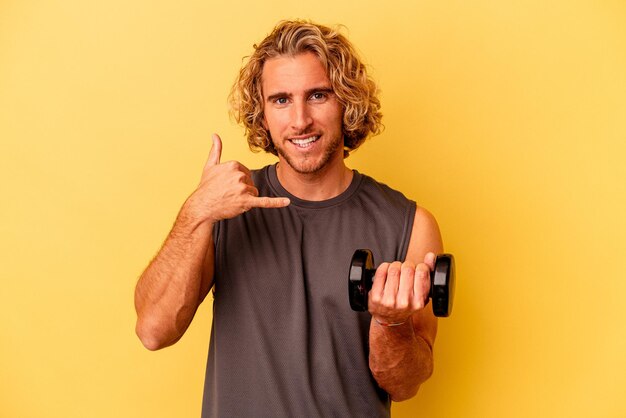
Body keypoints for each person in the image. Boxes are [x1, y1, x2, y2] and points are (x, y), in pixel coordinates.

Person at [134, 20, 443, 417]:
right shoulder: (225, 208)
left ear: (346, 101)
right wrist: (197, 211)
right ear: (262, 114)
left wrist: (391, 322)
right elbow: (153, 331)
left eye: (317, 95)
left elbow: (405, 385)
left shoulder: (411, 225)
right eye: (281, 100)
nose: (299, 120)